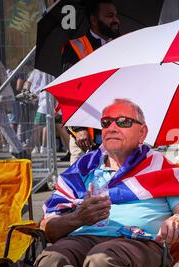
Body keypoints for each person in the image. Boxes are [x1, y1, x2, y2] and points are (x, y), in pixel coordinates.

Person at [34, 99, 179, 267]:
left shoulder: (160, 167)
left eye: (123, 122)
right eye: (106, 122)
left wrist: (176, 221)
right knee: (52, 262)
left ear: (142, 132)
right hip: (81, 240)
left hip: (139, 243)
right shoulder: (83, 168)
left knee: (101, 261)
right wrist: (78, 219)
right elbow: (48, 229)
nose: (112, 128)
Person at [61, 0, 120, 165]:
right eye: (109, 16)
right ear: (94, 20)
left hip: (116, 130)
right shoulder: (75, 48)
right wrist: (79, 129)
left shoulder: (121, 45)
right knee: (82, 186)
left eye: (116, 15)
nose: (116, 20)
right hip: (85, 136)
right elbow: (68, 91)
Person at [0, 56, 24, 157]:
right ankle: (18, 149)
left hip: (0, 97)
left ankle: (18, 150)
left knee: (3, 125)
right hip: (1, 97)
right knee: (3, 125)